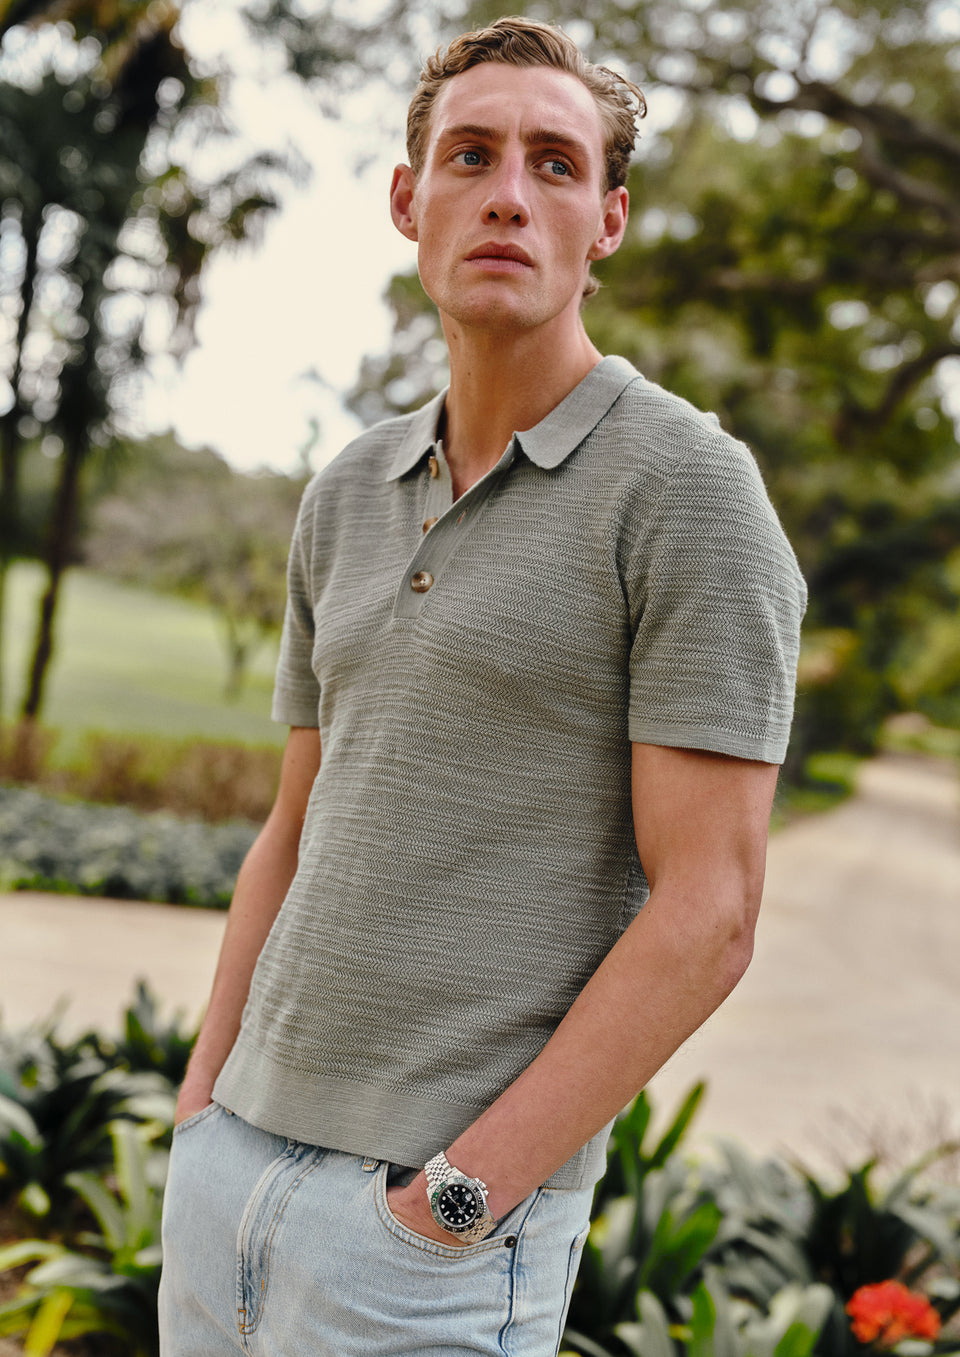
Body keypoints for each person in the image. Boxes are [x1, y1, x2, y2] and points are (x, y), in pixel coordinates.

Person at [158, 15, 806, 1357]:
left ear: (606, 220)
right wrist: (202, 1103)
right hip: (227, 1183)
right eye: (472, 154)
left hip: (429, 1241)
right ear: (410, 200)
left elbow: (713, 909)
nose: (510, 190)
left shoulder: (688, 491)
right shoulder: (346, 490)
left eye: (555, 164)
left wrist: (458, 1197)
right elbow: (297, 822)